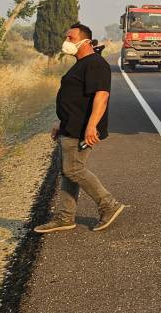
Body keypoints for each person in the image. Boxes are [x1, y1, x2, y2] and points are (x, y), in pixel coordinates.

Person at [34, 23, 126, 234]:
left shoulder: (95, 64)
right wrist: (61, 122)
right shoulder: (81, 63)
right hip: (70, 126)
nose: (66, 41)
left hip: (81, 128)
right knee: (68, 172)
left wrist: (92, 126)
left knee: (73, 170)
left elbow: (101, 96)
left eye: (71, 38)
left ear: (86, 41)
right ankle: (65, 216)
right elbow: (75, 99)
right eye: (67, 37)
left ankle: (108, 204)